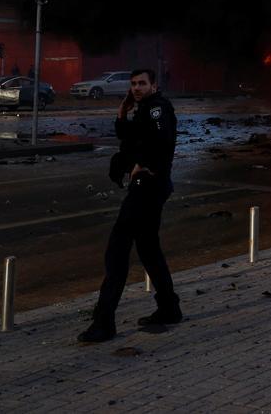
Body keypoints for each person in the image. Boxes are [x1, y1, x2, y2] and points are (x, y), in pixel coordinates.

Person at [79, 68, 180, 342]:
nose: (136, 88)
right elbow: (129, 138)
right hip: (151, 187)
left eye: (142, 83)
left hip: (147, 187)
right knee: (148, 249)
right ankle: (169, 307)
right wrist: (122, 111)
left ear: (154, 85)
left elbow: (161, 142)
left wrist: (142, 165)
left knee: (117, 252)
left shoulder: (157, 108)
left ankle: (104, 322)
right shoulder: (143, 108)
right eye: (133, 84)